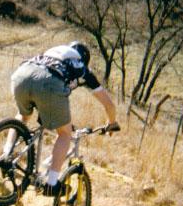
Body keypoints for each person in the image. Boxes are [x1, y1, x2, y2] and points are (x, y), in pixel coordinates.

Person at [8, 41, 120, 196]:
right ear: (84, 58)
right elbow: (109, 105)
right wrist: (111, 123)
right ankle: (52, 183)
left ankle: (6, 154)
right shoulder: (81, 68)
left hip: (22, 73)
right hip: (49, 81)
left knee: (23, 116)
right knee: (65, 134)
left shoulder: (54, 52)